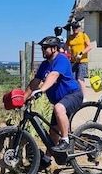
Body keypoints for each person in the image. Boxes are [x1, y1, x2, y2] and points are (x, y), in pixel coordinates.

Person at [25, 35, 83, 166]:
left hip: (73, 94)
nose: (43, 51)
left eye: (45, 48)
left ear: (55, 48)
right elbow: (35, 82)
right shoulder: (44, 65)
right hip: (61, 100)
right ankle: (46, 159)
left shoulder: (61, 60)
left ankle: (65, 141)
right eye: (42, 48)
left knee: (59, 108)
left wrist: (42, 90)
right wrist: (23, 98)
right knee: (53, 132)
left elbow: (53, 75)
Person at [65, 20, 92, 93]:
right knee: (72, 79)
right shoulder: (70, 37)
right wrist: (68, 54)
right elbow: (66, 47)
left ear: (79, 28)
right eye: (73, 27)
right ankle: (75, 95)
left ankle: (83, 97)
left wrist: (81, 53)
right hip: (73, 61)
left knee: (80, 79)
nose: (75, 29)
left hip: (82, 61)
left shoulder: (83, 36)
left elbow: (89, 46)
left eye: (76, 27)